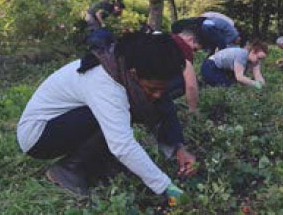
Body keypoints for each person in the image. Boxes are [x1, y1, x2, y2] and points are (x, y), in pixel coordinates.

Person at [16, 33, 195, 202]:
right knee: (115, 115)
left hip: (65, 122)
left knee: (120, 112)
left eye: (161, 89)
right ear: (133, 73)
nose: (157, 95)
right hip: (39, 135)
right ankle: (69, 170)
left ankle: (97, 164)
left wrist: (177, 148)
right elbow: (122, 145)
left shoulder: (124, 65)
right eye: (152, 88)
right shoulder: (105, 82)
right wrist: (167, 188)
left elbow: (163, 105)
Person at [200, 40, 267, 88]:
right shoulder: (242, 55)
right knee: (226, 85)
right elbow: (239, 77)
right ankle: (202, 83)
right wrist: (255, 84)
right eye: (259, 58)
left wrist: (262, 84)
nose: (259, 60)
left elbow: (257, 74)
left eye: (262, 58)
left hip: (222, 69)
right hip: (210, 66)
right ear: (253, 52)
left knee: (234, 83)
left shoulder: (255, 60)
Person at [167, 29, 202, 112]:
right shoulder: (183, 47)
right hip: (146, 92)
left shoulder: (165, 37)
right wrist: (192, 111)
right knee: (187, 80)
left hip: (132, 86)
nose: (193, 53)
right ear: (190, 39)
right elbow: (191, 85)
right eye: (195, 49)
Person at [172, 15, 240, 55]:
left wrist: (219, 53)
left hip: (226, 38)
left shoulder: (206, 27)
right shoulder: (201, 26)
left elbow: (220, 42)